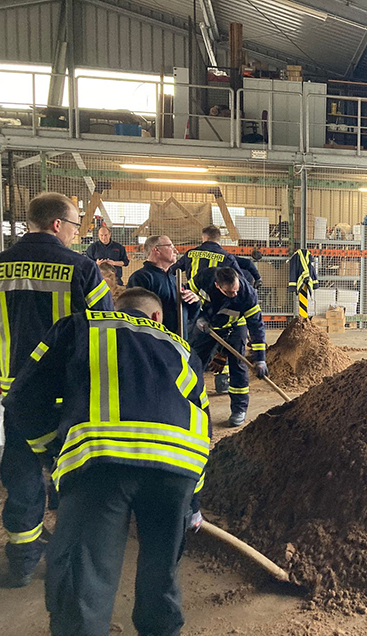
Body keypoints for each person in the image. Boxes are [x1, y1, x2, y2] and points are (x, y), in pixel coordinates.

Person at [2, 288, 209, 635]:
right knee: (162, 573)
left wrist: (52, 449)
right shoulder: (182, 347)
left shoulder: (77, 327)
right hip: (178, 466)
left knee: (85, 577)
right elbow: (201, 423)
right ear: (157, 317)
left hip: (99, 464)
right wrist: (194, 503)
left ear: (115, 308)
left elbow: (22, 398)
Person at [0, 192, 113, 588]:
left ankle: (23, 557)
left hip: (13, 391)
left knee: (22, 468)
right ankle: (75, 552)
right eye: (74, 224)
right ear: (56, 225)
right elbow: (106, 327)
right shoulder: (80, 267)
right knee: (75, 469)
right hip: (68, 391)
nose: (76, 231)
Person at [188, 267, 267, 427]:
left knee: (237, 365)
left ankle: (239, 409)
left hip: (236, 325)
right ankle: (191, 405)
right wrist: (198, 317)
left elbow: (257, 328)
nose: (234, 295)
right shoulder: (204, 278)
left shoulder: (247, 295)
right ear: (217, 285)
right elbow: (187, 297)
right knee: (194, 363)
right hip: (207, 325)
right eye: (230, 292)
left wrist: (260, 360)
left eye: (236, 290)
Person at [127, 235, 200, 338]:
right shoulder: (141, 278)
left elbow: (190, 316)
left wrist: (195, 301)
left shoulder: (174, 279)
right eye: (171, 246)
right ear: (156, 250)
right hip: (156, 342)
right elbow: (136, 316)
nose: (176, 251)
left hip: (178, 342)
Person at [170, 225, 243, 279]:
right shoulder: (226, 257)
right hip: (216, 297)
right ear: (218, 238)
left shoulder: (190, 254)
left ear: (206, 238)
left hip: (192, 295)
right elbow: (239, 279)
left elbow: (172, 271)